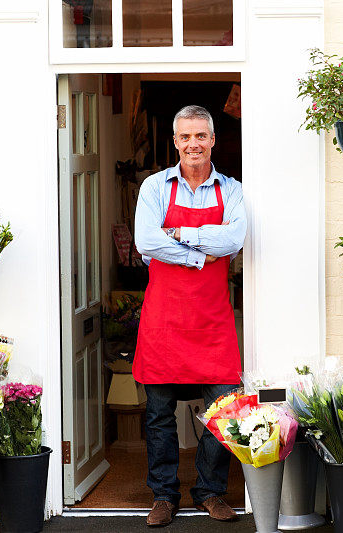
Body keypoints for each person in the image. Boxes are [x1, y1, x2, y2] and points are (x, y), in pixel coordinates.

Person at [133, 105, 246, 527]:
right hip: (164, 318)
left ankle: (210, 491)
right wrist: (201, 256)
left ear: (213, 140)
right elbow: (146, 240)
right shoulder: (155, 187)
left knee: (224, 408)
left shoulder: (230, 189)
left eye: (201, 136)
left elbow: (233, 238)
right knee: (159, 413)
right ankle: (164, 495)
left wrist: (179, 234)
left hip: (213, 319)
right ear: (176, 142)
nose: (193, 144)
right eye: (186, 137)